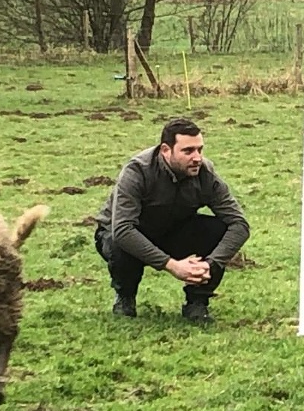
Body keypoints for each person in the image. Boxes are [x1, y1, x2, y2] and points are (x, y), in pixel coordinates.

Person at [94, 117, 250, 323]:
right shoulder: (137, 171)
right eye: (188, 151)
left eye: (200, 150)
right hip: (129, 233)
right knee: (118, 240)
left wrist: (210, 265)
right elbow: (123, 229)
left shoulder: (205, 174)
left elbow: (240, 225)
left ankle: (197, 302)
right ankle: (125, 297)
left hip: (174, 230)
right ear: (166, 150)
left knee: (218, 229)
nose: (197, 158)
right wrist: (172, 266)